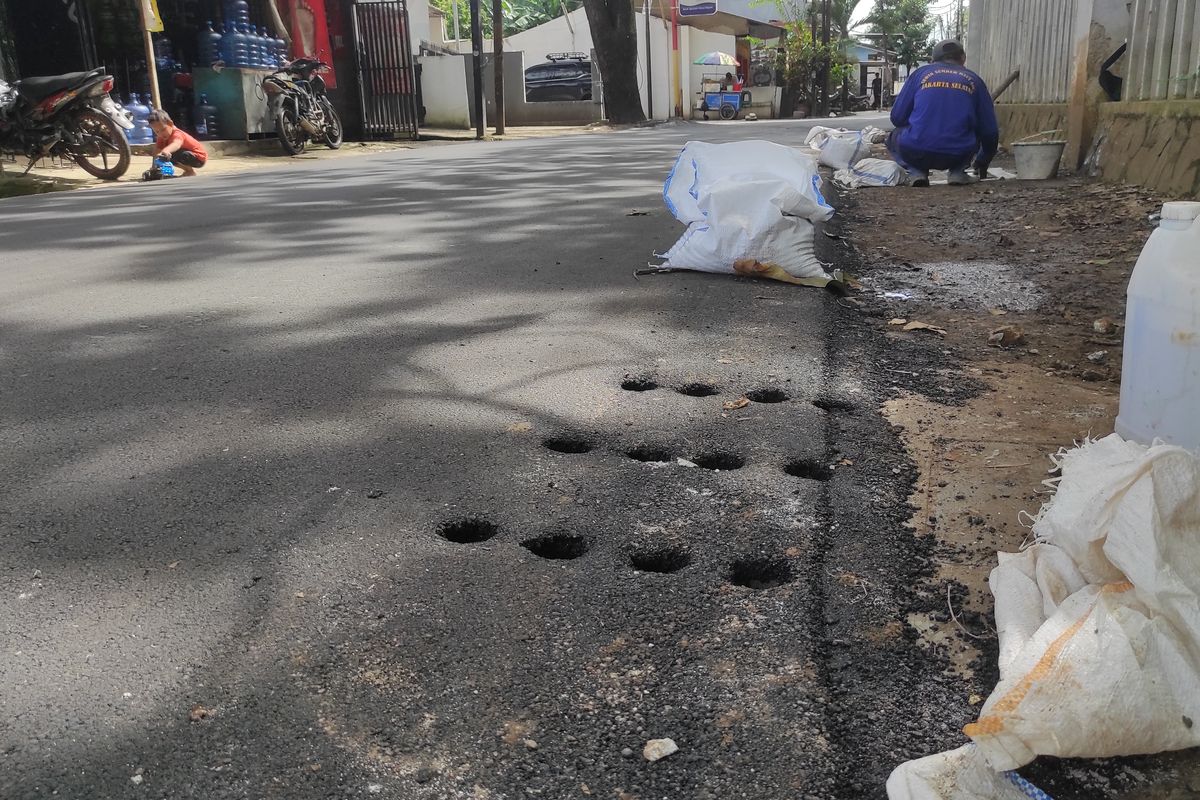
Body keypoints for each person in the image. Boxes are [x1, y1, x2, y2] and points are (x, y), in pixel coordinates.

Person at [887, 39, 999, 187]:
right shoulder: (974, 80)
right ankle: (957, 172)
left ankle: (916, 172)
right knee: (977, 129)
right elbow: (990, 131)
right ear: (963, 58)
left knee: (894, 135)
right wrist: (983, 160)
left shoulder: (920, 74)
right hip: (959, 152)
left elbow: (897, 117)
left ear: (932, 60)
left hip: (917, 150)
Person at [147, 110, 208, 177]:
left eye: (163, 130)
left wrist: (166, 150)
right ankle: (188, 171)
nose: (161, 134)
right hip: (186, 155)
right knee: (165, 156)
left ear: (170, 123)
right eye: (157, 132)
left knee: (172, 153)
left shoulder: (177, 133)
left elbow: (176, 144)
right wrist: (154, 167)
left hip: (199, 158)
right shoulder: (161, 137)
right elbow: (157, 151)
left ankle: (189, 171)